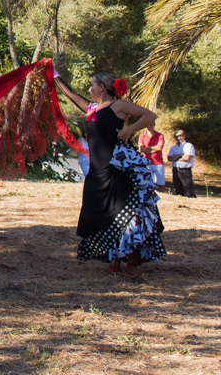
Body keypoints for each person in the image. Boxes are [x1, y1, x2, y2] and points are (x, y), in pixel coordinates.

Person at [52, 70, 165, 276]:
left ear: (102, 88)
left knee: (126, 211)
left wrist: (128, 131)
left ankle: (131, 258)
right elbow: (70, 94)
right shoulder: (92, 108)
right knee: (100, 212)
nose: (89, 89)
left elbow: (149, 115)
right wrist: (53, 74)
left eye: (92, 85)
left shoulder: (118, 105)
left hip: (117, 167)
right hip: (97, 169)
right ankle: (114, 255)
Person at [138, 123, 167, 193]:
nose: (149, 126)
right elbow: (141, 149)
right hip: (146, 162)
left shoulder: (160, 135)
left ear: (154, 125)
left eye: (151, 125)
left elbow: (159, 148)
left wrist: (147, 148)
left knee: (161, 184)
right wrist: (154, 149)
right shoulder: (142, 136)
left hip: (158, 163)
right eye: (148, 125)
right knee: (148, 183)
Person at [167, 129, 196, 198]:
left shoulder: (188, 145)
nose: (179, 138)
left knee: (188, 190)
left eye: (180, 136)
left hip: (185, 170)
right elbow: (169, 158)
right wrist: (179, 155)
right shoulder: (173, 148)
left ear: (184, 136)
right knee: (178, 189)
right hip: (176, 169)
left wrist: (175, 158)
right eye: (177, 136)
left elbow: (186, 158)